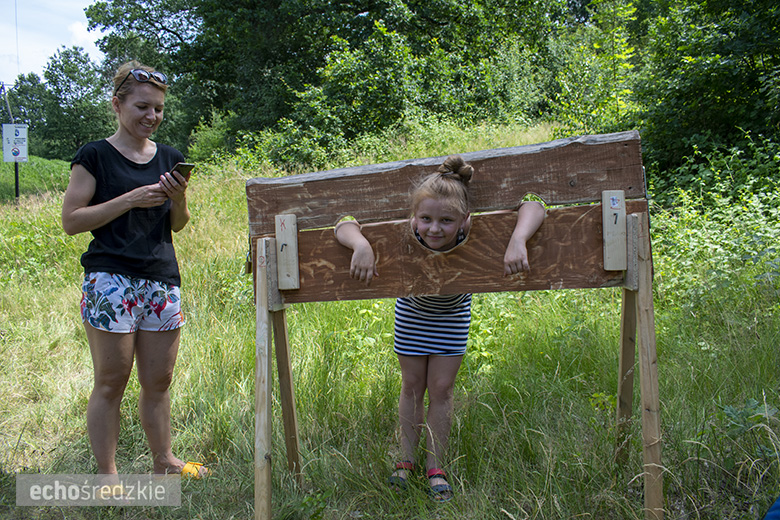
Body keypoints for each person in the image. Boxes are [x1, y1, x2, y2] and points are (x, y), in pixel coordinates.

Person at [335, 155, 545, 501]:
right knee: (412, 386)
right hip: (412, 316)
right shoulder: (410, 231)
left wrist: (518, 239)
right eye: (426, 219)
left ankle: (436, 466)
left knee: (442, 389)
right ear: (413, 218)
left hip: (451, 319)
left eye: (446, 220)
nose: (434, 229)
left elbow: (534, 204)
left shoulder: (471, 232)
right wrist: (361, 244)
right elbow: (343, 222)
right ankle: (406, 459)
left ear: (465, 220)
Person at [61, 61, 208, 481]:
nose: (152, 116)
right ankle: (107, 476)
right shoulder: (94, 156)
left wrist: (178, 199)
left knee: (158, 381)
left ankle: (165, 461)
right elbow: (71, 220)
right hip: (110, 279)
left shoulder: (170, 158)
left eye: (158, 109)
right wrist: (130, 199)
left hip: (161, 279)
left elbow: (177, 224)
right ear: (117, 104)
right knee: (111, 381)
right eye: (142, 106)